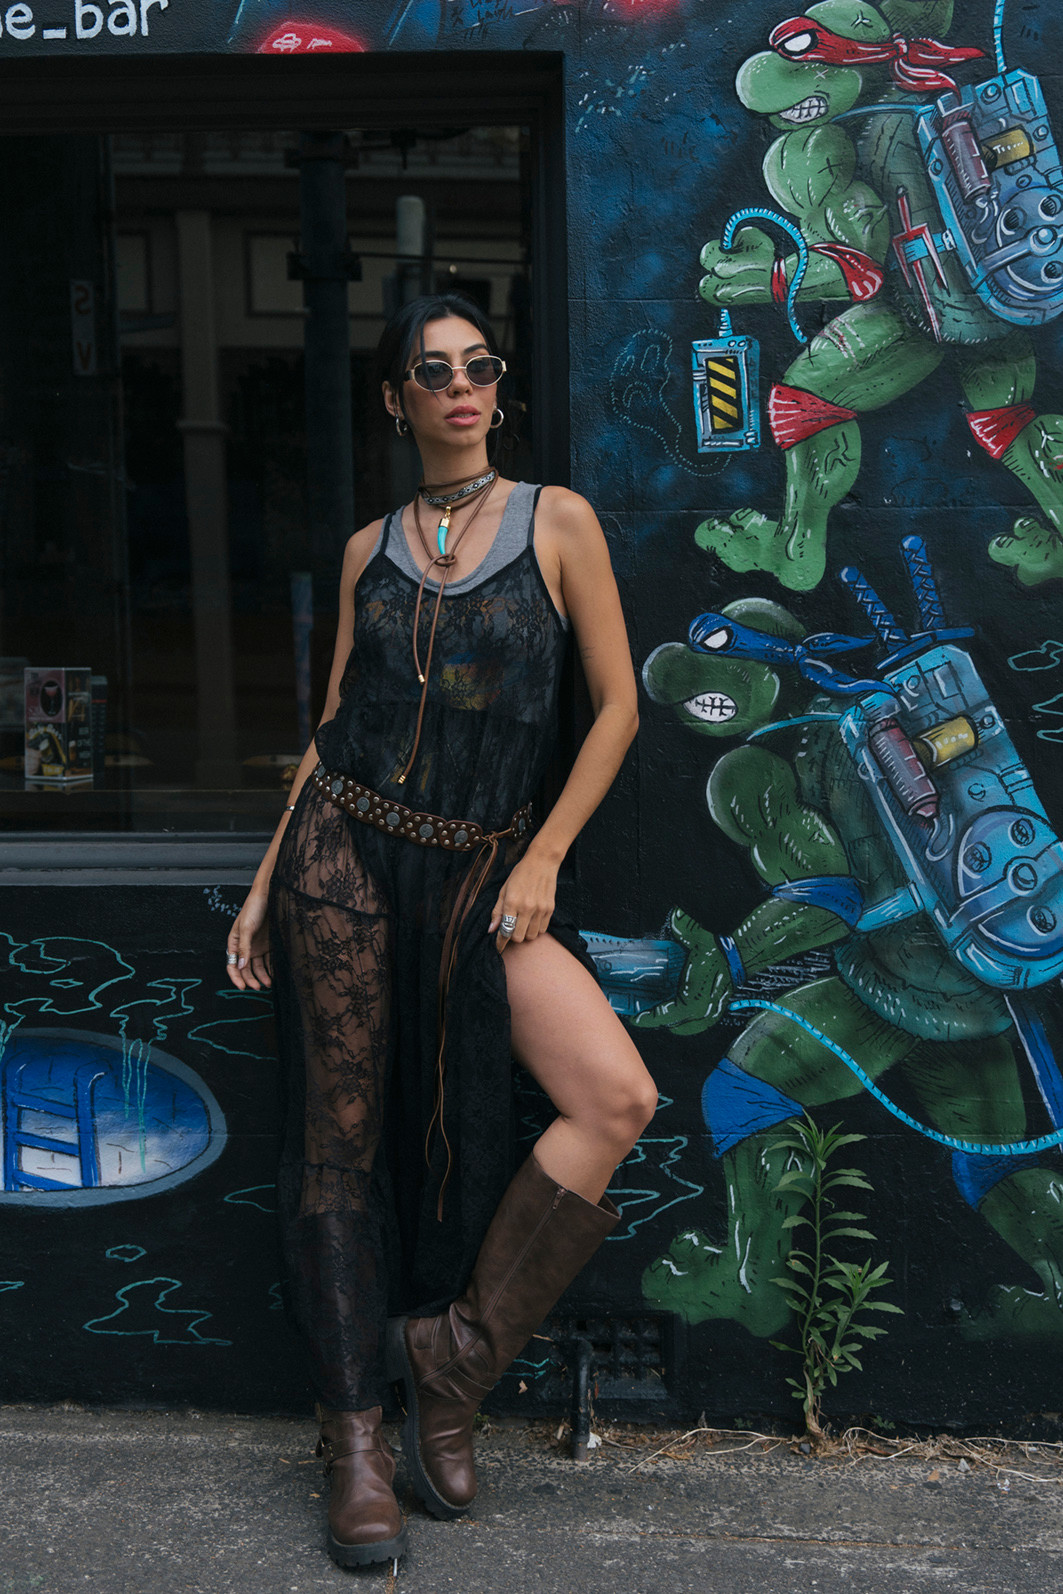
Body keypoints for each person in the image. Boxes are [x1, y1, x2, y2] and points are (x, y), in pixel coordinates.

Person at [226, 293, 656, 1569]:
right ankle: (355, 1436)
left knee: (614, 1098)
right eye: (433, 370)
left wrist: (545, 852)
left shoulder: (556, 521)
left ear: (499, 387)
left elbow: (619, 707)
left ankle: (454, 1359)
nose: (461, 385)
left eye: (479, 365)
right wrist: (264, 880)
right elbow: (330, 730)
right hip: (346, 856)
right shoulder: (368, 550)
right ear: (395, 399)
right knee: (339, 1144)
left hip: (483, 876)